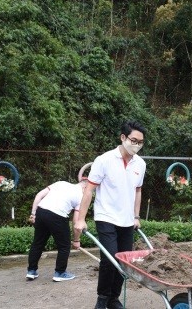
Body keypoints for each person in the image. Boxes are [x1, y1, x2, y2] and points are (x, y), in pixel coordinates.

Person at [75, 120, 147, 309]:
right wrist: (81, 219)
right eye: (134, 140)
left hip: (127, 220)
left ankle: (114, 298)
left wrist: (136, 217)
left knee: (125, 262)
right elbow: (89, 190)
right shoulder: (104, 160)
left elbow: (137, 191)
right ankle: (102, 299)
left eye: (140, 142)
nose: (137, 145)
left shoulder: (141, 164)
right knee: (109, 259)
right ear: (123, 138)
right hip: (105, 217)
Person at [26, 179, 87, 282]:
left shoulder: (61, 183)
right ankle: (60, 273)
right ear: (85, 187)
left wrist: (33, 214)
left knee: (38, 243)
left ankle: (31, 271)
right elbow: (76, 221)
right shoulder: (81, 196)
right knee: (64, 246)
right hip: (58, 216)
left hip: (41, 211)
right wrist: (76, 240)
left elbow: (39, 195)